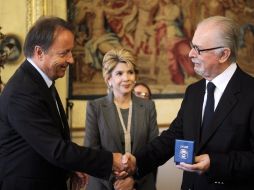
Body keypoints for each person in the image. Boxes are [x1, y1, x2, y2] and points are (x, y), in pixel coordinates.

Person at [121, 16, 254, 190]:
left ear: (224, 54)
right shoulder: (194, 92)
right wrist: (137, 161)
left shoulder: (250, 92)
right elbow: (173, 137)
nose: (190, 54)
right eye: (192, 46)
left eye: (198, 49)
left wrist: (215, 163)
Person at [0, 16, 128, 190]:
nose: (71, 60)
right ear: (39, 53)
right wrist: (110, 160)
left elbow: (49, 141)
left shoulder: (39, 82)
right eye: (64, 53)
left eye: (71, 52)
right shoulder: (22, 92)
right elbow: (57, 150)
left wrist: (70, 167)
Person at [84, 48, 159, 190]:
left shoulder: (148, 106)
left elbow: (154, 150)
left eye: (130, 72)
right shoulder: (95, 107)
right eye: (119, 73)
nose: (127, 78)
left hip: (141, 184)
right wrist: (116, 182)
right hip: (103, 185)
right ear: (109, 79)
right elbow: (92, 153)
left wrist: (132, 180)